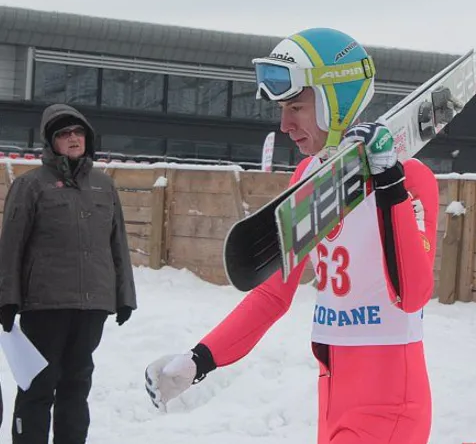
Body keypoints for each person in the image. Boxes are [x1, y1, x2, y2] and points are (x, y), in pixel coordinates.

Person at [145, 28, 439, 444]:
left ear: (336, 102)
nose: (285, 125)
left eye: (296, 107)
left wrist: (389, 181)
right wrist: (200, 359)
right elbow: (272, 294)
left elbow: (412, 294)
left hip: (389, 404)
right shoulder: (308, 177)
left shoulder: (411, 178)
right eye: (283, 109)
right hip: (332, 394)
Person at [0, 103, 138, 444]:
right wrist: (6, 298)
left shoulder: (103, 186)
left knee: (76, 387)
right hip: (44, 305)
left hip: (92, 306)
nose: (73, 138)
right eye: (64, 133)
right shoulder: (31, 185)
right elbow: (11, 245)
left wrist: (125, 297)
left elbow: (118, 243)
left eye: (78, 132)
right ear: (51, 141)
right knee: (37, 386)